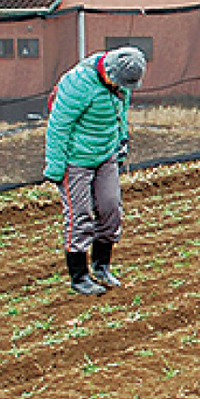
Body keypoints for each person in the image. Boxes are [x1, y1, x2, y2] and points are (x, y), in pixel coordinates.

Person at [44, 46, 147, 294]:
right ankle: (79, 277)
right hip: (76, 159)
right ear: (109, 70)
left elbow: (120, 115)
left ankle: (102, 266)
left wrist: (121, 143)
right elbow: (58, 126)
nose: (122, 87)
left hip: (106, 155)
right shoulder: (78, 83)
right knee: (80, 215)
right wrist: (56, 167)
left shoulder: (121, 84)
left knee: (111, 208)